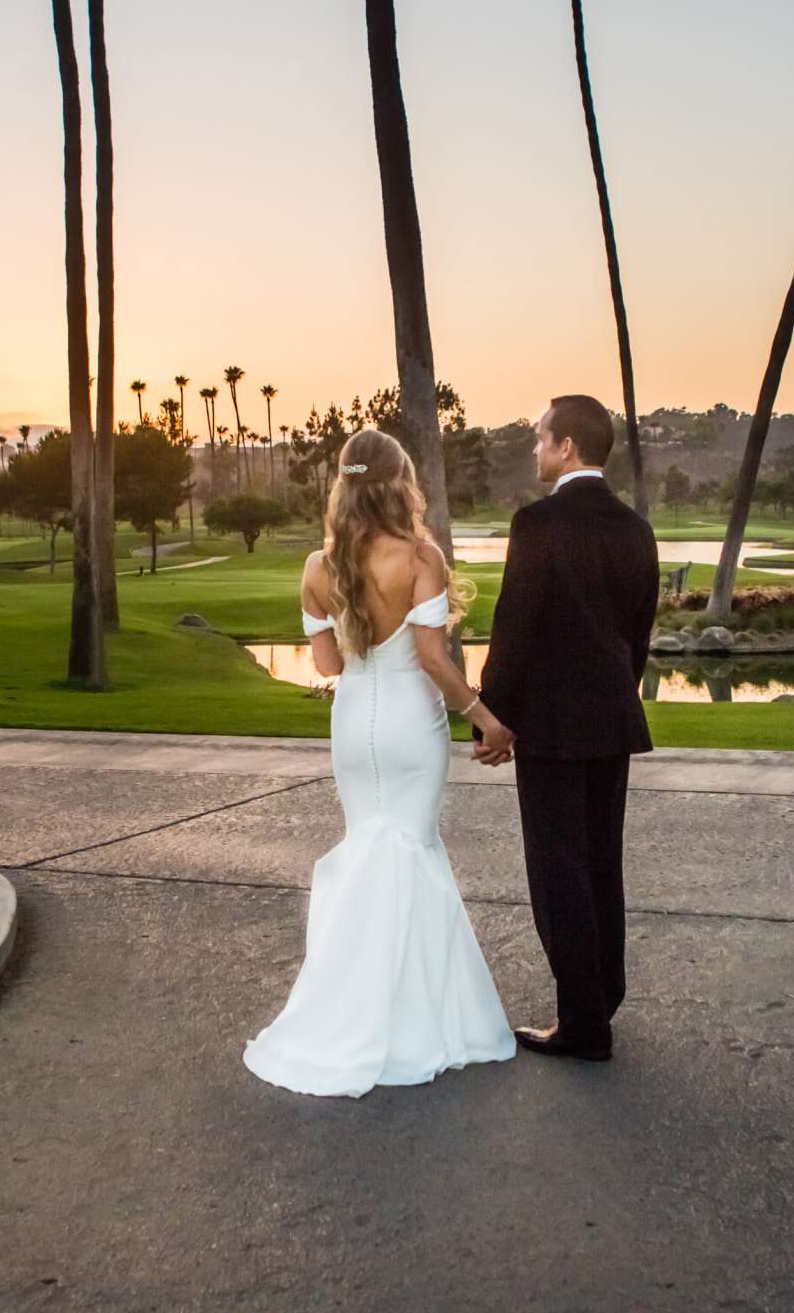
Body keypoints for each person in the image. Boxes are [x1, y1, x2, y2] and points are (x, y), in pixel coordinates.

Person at [242, 428, 518, 1096]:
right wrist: (485, 720)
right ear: (402, 483)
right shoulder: (421, 557)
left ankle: (348, 1008)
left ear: (342, 484)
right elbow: (431, 659)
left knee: (370, 845)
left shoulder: (318, 566)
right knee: (411, 851)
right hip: (407, 722)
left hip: (353, 724)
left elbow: (330, 665)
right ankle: (412, 1020)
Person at [476, 394, 659, 1062]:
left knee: (559, 873)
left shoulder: (537, 523)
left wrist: (493, 718)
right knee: (599, 863)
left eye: (540, 438)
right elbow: (638, 634)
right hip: (612, 720)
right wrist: (617, 693)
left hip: (552, 726)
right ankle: (601, 995)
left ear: (568, 448)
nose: (535, 449)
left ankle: (584, 1024)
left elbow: (514, 629)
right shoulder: (636, 529)